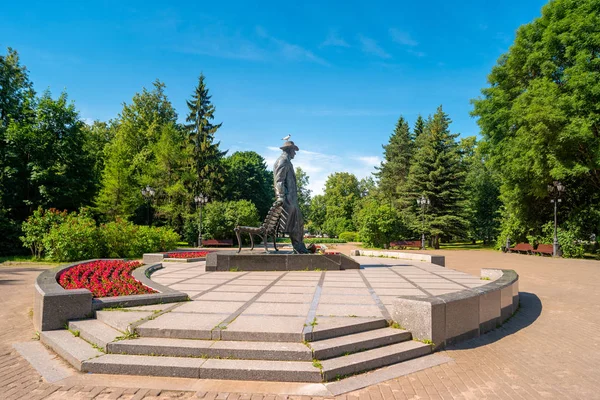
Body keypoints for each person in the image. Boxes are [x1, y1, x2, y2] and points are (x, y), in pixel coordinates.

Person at [273, 141, 309, 254]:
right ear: (289, 150)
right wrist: (281, 197)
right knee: (296, 223)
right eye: (294, 150)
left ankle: (299, 246)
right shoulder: (283, 160)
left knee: (298, 223)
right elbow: (279, 181)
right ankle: (299, 247)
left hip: (291, 199)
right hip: (288, 200)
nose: (295, 153)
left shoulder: (287, 161)